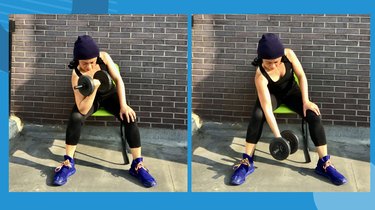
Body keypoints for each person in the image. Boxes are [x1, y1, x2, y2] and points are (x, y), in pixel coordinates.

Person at [230, 33, 347, 186]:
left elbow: (301, 75)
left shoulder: (289, 54)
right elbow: (267, 109)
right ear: (261, 58)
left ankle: (325, 164)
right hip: (274, 97)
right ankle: (246, 161)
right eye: (267, 62)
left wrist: (306, 101)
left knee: (313, 115)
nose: (272, 66)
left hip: (293, 93)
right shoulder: (260, 76)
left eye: (275, 62)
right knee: (258, 114)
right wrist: (279, 138)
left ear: (281, 56)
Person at [53, 35, 157, 188]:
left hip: (110, 94)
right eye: (84, 63)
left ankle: (137, 165)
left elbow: (118, 80)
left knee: (129, 117)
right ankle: (68, 163)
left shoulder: (104, 57)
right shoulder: (76, 74)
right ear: (77, 60)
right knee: (75, 117)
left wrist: (123, 105)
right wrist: (94, 87)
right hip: (90, 99)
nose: (88, 67)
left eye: (92, 62)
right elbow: (82, 108)